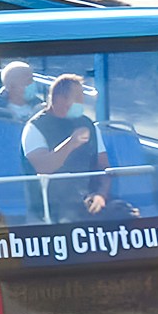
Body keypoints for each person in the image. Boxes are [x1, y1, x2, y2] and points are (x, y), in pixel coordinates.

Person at [22, 73, 133, 222]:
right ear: (60, 100)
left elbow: (104, 167)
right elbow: (44, 167)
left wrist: (101, 194)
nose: (82, 103)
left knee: (125, 215)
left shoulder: (87, 124)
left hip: (89, 200)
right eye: (78, 99)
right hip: (53, 206)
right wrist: (71, 143)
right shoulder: (34, 128)